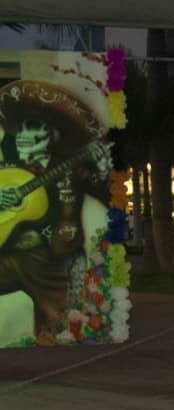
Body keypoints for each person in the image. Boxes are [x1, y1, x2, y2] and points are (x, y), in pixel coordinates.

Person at [0, 80, 111, 340]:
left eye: (34, 126)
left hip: (51, 260)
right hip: (8, 254)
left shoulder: (70, 169)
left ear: (52, 134)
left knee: (59, 327)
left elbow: (106, 192)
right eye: (22, 127)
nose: (24, 134)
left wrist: (105, 168)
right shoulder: (9, 166)